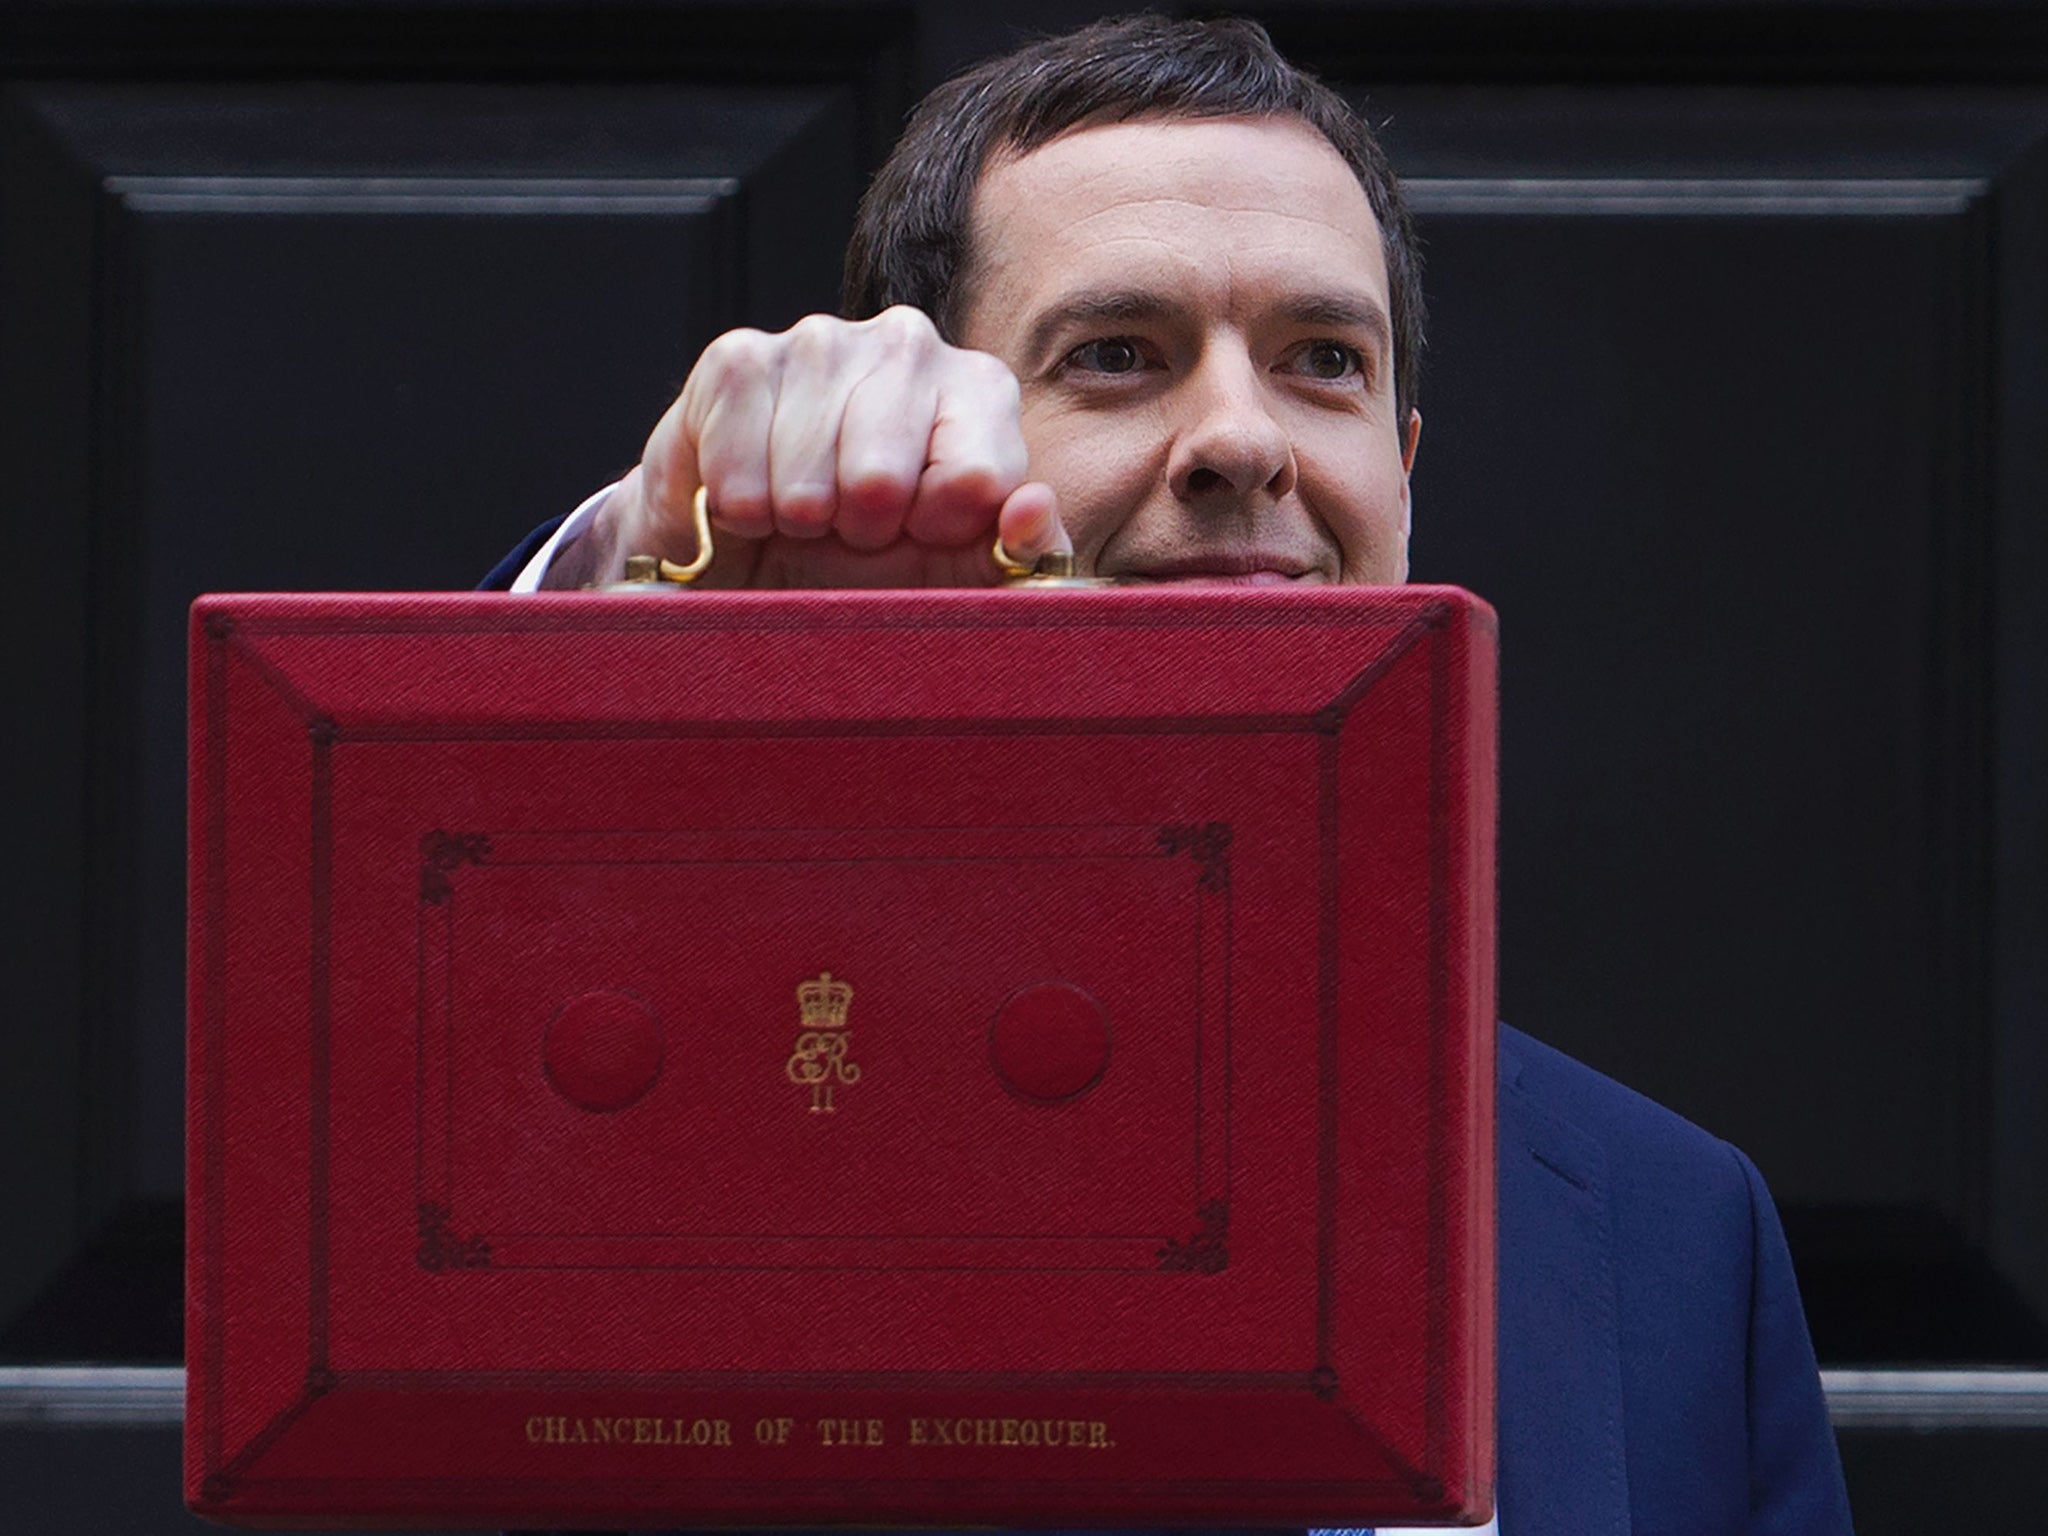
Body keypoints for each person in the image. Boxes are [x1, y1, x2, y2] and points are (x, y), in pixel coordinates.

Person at [485, 15, 1856, 1534]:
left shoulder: (1676, 1225)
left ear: (1403, 465)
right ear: (919, 435)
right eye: (1119, 356)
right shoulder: (679, 1094)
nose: (1242, 439)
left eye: (1321, 362)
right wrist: (628, 596)